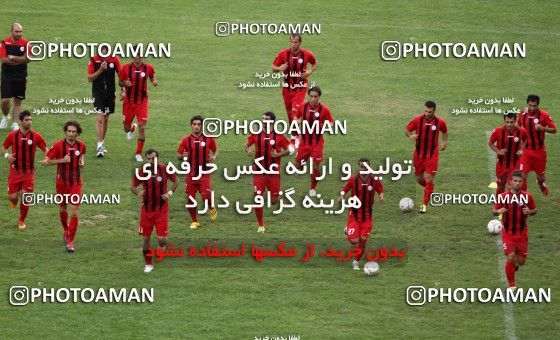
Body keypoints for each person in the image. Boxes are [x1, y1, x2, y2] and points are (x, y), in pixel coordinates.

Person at [40, 121, 86, 253]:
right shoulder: (58, 145)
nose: (71, 134)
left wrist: (82, 163)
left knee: (75, 210)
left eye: (74, 132)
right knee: (63, 207)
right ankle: (66, 229)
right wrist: (62, 160)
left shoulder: (82, 145)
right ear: (66, 131)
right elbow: (47, 162)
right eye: (69, 131)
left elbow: (82, 157)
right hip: (61, 183)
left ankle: (70, 241)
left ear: (77, 133)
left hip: (76, 183)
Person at [132, 148, 179, 273]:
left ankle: (160, 247)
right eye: (148, 159)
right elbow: (133, 186)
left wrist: (169, 193)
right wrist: (138, 192)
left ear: (158, 158)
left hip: (161, 210)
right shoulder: (142, 171)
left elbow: (176, 181)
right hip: (146, 211)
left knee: (162, 239)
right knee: (146, 239)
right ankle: (148, 264)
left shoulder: (165, 169)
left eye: (153, 158)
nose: (151, 161)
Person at [2, 110, 47, 230]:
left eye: (30, 120)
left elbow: (45, 149)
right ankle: (14, 200)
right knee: (12, 198)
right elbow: (4, 146)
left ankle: (21, 219)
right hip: (15, 172)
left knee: (26, 198)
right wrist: (7, 156)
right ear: (21, 121)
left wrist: (48, 158)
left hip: (28, 173)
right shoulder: (12, 135)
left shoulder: (36, 136)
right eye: (27, 120)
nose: (29, 122)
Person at [245, 111, 290, 233]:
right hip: (259, 171)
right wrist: (248, 149)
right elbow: (247, 144)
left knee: (274, 201)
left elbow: (290, 150)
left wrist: (278, 154)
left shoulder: (279, 136)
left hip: (273, 173)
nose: (263, 120)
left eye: (266, 119)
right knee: (257, 197)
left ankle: (278, 197)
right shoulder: (256, 134)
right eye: (263, 118)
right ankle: (260, 224)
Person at [492, 171, 537, 289]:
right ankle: (512, 286)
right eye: (515, 181)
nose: (517, 183)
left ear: (522, 182)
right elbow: (494, 210)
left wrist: (530, 212)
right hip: (508, 233)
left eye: (520, 181)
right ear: (510, 182)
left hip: (522, 234)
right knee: (511, 256)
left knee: (521, 261)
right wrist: (498, 211)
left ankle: (515, 265)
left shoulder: (527, 196)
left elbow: (534, 210)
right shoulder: (503, 197)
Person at [338, 158, 384, 270]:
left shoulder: (374, 180)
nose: (364, 169)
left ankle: (356, 261)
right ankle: (348, 229)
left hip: (367, 216)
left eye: (366, 167)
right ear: (359, 167)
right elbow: (345, 189)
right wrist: (341, 197)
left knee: (363, 240)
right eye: (362, 167)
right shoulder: (353, 179)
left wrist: (381, 195)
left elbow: (380, 189)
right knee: (355, 241)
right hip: (353, 214)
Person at [272, 33, 317, 148]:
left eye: (295, 42)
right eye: (291, 42)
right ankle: (296, 135)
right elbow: (274, 68)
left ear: (300, 43)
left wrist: (309, 72)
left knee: (294, 114)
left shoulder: (307, 54)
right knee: (290, 115)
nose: (293, 45)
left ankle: (295, 139)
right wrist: (280, 68)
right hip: (287, 89)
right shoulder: (283, 54)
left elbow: (314, 63)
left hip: (300, 88)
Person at [405, 100, 448, 213]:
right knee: (419, 179)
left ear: (434, 110)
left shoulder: (440, 122)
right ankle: (430, 190)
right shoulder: (417, 120)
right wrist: (411, 135)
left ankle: (424, 205)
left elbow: (444, 132)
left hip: (432, 154)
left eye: (429, 111)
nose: (427, 113)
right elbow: (407, 129)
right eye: (425, 111)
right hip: (418, 154)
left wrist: (444, 142)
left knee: (428, 178)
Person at [177, 115, 218, 229]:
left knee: (206, 196)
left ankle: (211, 207)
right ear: (191, 126)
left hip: (204, 173)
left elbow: (216, 151)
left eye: (199, 124)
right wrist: (182, 156)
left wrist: (214, 156)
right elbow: (178, 154)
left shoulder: (209, 138)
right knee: (191, 198)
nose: (196, 127)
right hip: (190, 174)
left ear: (202, 126)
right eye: (194, 124)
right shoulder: (185, 140)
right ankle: (195, 221)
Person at [294, 86, 333, 197]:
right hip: (304, 142)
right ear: (308, 96)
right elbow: (296, 116)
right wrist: (296, 121)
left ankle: (312, 188)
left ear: (319, 97)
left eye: (315, 97)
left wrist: (325, 127)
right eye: (311, 96)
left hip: (317, 143)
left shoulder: (324, 110)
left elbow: (331, 122)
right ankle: (302, 167)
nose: (313, 99)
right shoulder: (302, 106)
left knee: (315, 167)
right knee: (297, 165)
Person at [118, 55, 157, 162]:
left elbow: (151, 76)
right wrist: (125, 84)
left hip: (142, 102)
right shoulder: (125, 68)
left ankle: (138, 153)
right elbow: (120, 82)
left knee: (142, 126)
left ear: (141, 57)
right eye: (134, 56)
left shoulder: (148, 67)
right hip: (128, 103)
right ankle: (131, 129)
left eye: (137, 56)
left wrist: (153, 81)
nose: (135, 58)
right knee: (126, 129)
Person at [516, 94, 556, 195]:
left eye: (534, 106)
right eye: (530, 105)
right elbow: (518, 125)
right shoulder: (523, 113)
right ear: (527, 104)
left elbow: (554, 129)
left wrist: (543, 128)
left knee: (541, 178)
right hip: (526, 152)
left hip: (539, 153)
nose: (532, 108)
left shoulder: (544, 115)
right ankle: (522, 198)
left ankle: (540, 183)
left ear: (538, 105)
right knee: (522, 176)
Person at [87, 45, 122, 157]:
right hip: (98, 93)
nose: (104, 57)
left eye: (106, 54)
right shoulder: (93, 60)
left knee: (106, 118)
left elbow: (121, 75)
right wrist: (100, 70)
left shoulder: (115, 59)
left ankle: (102, 142)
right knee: (100, 117)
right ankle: (99, 146)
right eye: (102, 54)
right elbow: (89, 78)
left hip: (110, 93)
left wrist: (123, 89)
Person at [488, 112, 527, 195]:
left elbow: (525, 140)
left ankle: (514, 204)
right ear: (504, 121)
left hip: (515, 163)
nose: (509, 124)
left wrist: (521, 149)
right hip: (502, 164)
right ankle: (499, 203)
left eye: (511, 122)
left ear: (515, 121)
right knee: (501, 186)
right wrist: (498, 151)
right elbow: (490, 143)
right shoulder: (498, 131)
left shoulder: (521, 131)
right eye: (507, 122)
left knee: (513, 186)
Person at [0, 23, 30, 131]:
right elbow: (3, 59)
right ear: (11, 31)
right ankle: (5, 116)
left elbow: (27, 59)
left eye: (20, 31)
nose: (19, 34)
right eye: (17, 31)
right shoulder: (4, 42)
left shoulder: (26, 43)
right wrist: (20, 60)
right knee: (5, 100)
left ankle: (15, 123)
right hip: (7, 74)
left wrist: (12, 57)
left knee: (17, 100)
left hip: (21, 75)